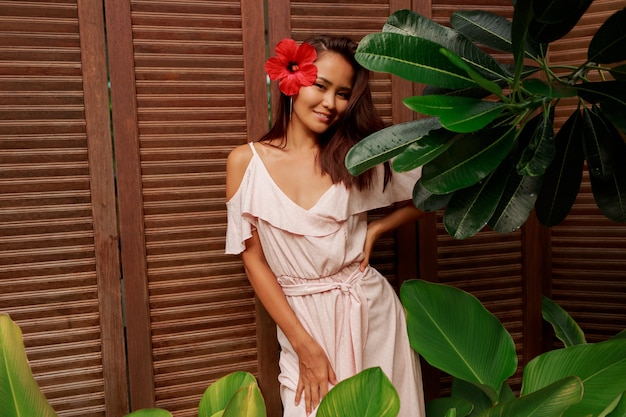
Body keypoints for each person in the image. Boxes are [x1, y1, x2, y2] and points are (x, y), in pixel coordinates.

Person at [225, 35, 426, 417]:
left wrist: (378, 229)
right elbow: (254, 262)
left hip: (371, 312)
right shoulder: (244, 163)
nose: (331, 103)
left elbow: (441, 189)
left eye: (343, 93)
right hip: (302, 320)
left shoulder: (358, 157)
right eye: (321, 86)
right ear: (292, 80)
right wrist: (303, 345)